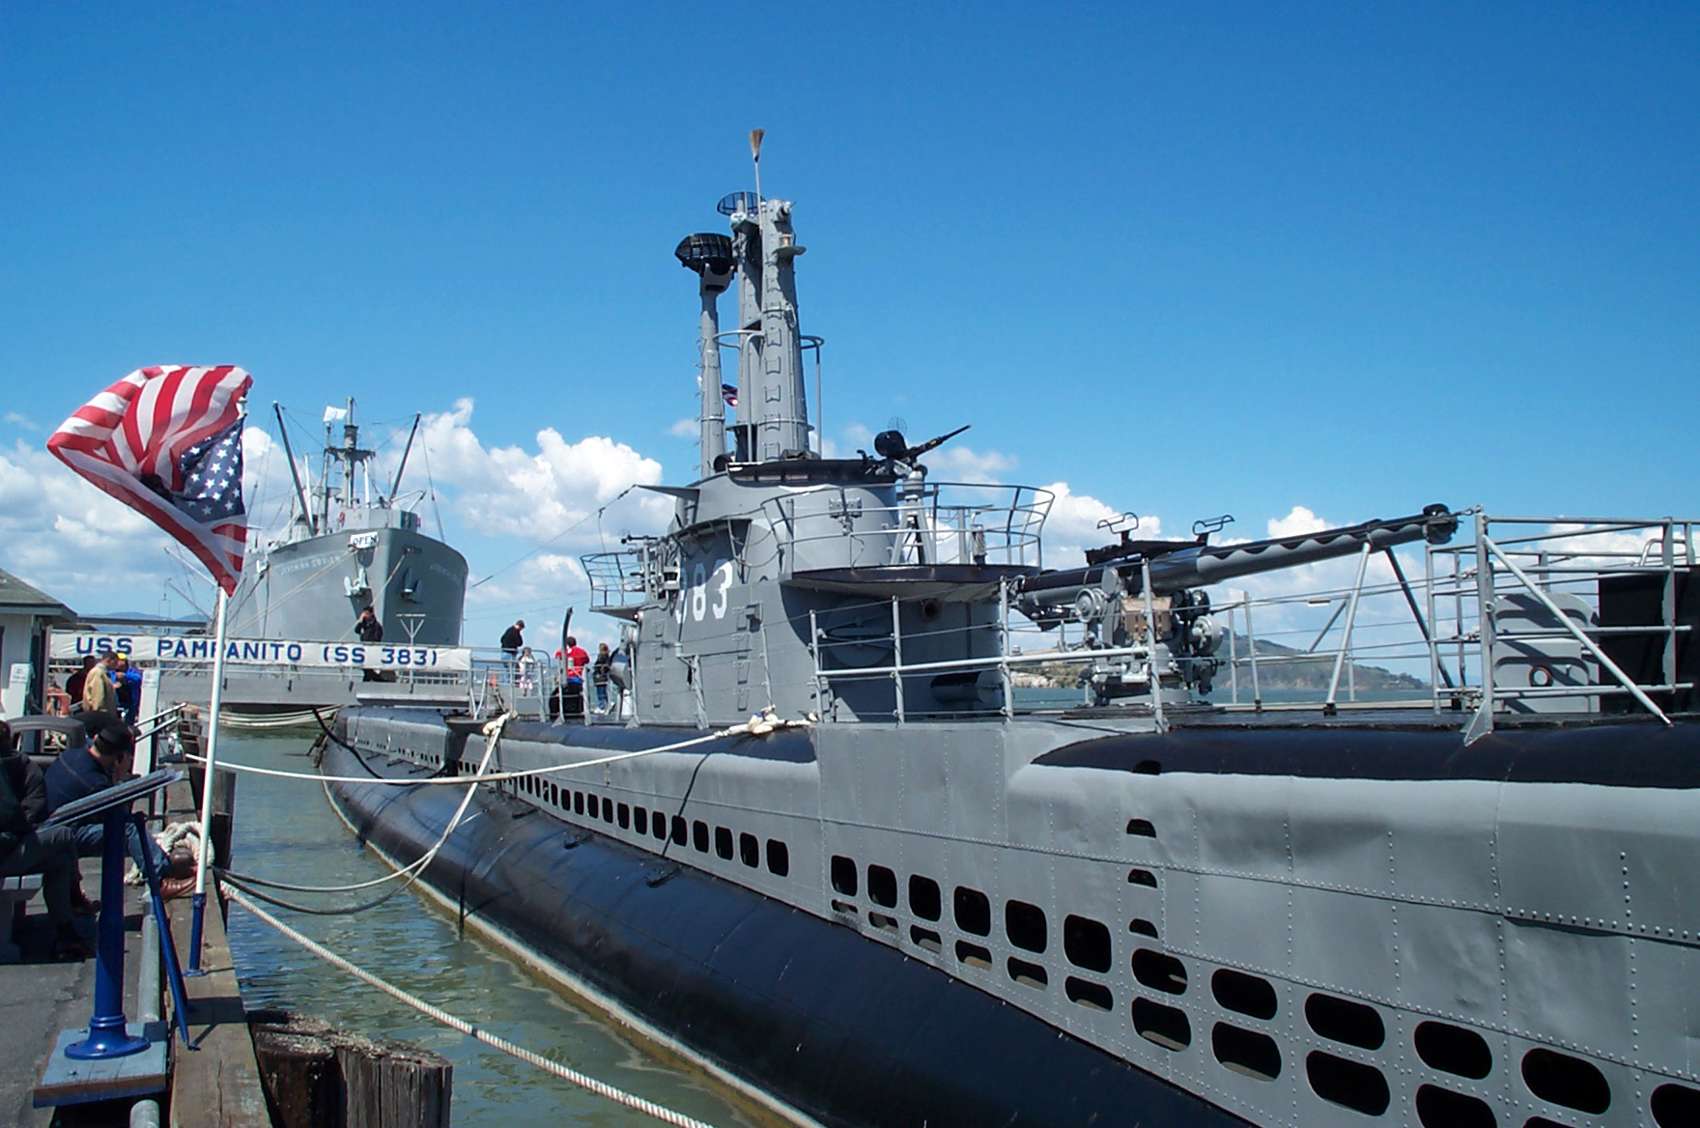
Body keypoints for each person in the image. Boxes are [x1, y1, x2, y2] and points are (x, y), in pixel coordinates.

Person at [44, 724, 189, 898]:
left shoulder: (70, 755)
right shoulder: (95, 783)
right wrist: (118, 777)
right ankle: (160, 879)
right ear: (119, 757)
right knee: (129, 829)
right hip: (64, 836)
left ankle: (74, 896)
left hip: (49, 828)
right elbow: (116, 816)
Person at [0, 721, 89, 959]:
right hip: (7, 850)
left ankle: (65, 932)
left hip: (12, 845)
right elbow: (22, 814)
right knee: (63, 835)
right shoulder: (24, 765)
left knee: (59, 862)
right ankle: (74, 897)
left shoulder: (23, 768)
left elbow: (31, 807)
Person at [355, 605, 384, 681]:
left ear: (371, 614)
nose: (365, 615)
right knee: (366, 668)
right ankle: (377, 680)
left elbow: (377, 638)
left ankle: (375, 680)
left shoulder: (376, 625)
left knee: (368, 668)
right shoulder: (364, 624)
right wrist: (360, 621)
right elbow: (357, 630)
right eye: (364, 613)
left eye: (367, 613)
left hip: (371, 649)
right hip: (364, 649)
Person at [111, 654, 142, 724]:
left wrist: (125, 676)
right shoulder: (112, 672)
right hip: (115, 704)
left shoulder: (132, 672)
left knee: (128, 724)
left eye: (120, 661)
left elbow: (138, 679)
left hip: (130, 705)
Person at [592, 643, 612, 713]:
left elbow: (598, 666)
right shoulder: (607, 657)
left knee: (600, 692)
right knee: (603, 691)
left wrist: (597, 671)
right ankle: (607, 704)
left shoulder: (601, 657)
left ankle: (602, 706)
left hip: (600, 677)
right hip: (603, 676)